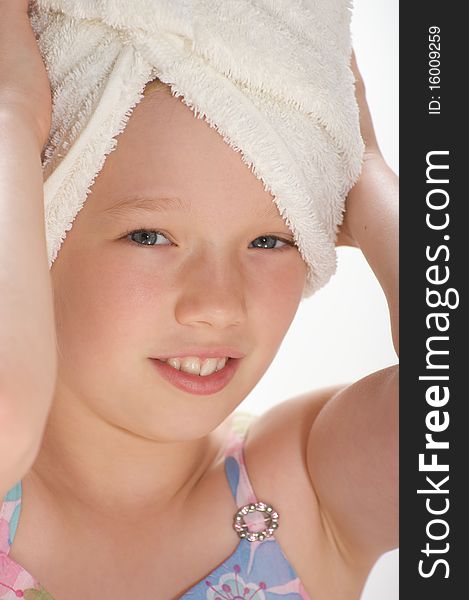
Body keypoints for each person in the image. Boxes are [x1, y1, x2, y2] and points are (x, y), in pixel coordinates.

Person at [0, 1, 398, 598]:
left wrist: (365, 172)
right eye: (150, 236)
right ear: (40, 225)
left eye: (270, 239)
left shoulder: (309, 490)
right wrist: (10, 116)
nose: (220, 304)